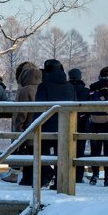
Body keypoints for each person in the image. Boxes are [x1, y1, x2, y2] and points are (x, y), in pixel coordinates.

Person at [34, 59, 76, 188]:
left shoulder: (44, 86)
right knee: (62, 155)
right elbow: (74, 104)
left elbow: (40, 107)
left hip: (47, 126)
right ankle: (60, 181)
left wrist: (36, 124)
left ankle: (44, 179)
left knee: (43, 155)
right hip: (65, 126)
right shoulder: (70, 86)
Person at [12, 61, 42, 186]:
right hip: (41, 126)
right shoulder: (42, 87)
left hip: (28, 127)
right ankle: (37, 177)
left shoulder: (25, 90)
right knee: (38, 153)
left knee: (28, 153)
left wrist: (18, 127)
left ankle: (27, 178)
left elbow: (22, 112)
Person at [67, 68, 92, 183]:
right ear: (80, 77)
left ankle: (66, 174)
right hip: (83, 124)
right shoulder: (86, 91)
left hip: (66, 124)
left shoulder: (65, 89)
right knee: (80, 152)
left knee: (66, 150)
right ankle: (78, 176)